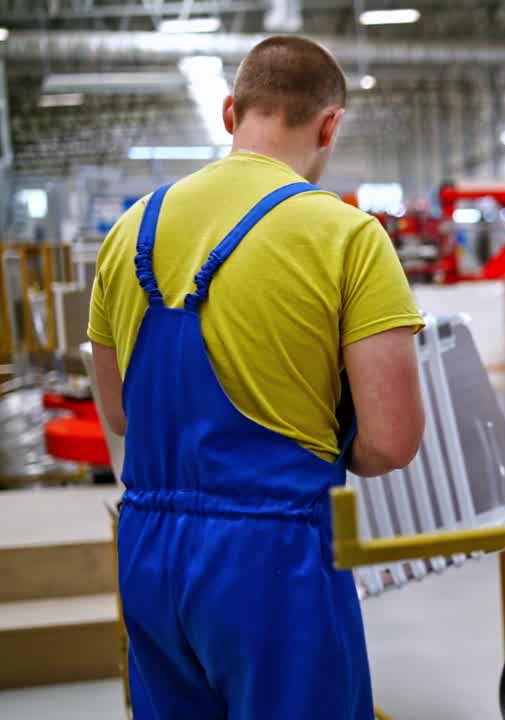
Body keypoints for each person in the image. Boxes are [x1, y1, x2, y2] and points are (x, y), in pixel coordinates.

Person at [88, 36, 425, 719]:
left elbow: (118, 412)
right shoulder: (347, 236)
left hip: (148, 551)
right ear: (329, 125)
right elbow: (391, 442)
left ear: (229, 113)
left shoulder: (128, 232)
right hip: (273, 560)